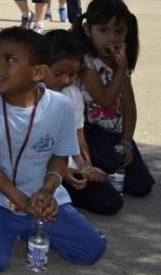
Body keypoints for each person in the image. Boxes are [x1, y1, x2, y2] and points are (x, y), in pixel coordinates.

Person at [0, 27, 107, 272]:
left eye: (9, 60)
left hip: (40, 195)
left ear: (38, 72)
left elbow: (60, 159)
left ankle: (23, 227)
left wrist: (48, 190)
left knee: (91, 250)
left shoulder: (60, 106)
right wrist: (23, 201)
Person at [74, 0, 153, 197]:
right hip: (89, 133)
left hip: (114, 135)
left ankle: (105, 171)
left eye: (119, 31)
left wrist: (126, 141)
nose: (112, 38)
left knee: (142, 185)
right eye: (103, 30)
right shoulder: (85, 62)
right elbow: (104, 100)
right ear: (87, 29)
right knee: (111, 179)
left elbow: (129, 108)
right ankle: (84, 172)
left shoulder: (120, 62)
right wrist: (121, 70)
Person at [43, 30, 122, 216]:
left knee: (111, 201)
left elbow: (79, 140)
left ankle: (62, 194)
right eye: (59, 73)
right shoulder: (26, 97)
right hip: (35, 170)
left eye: (72, 75)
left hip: (65, 168)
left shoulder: (73, 94)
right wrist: (60, 172)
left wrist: (86, 166)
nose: (66, 80)